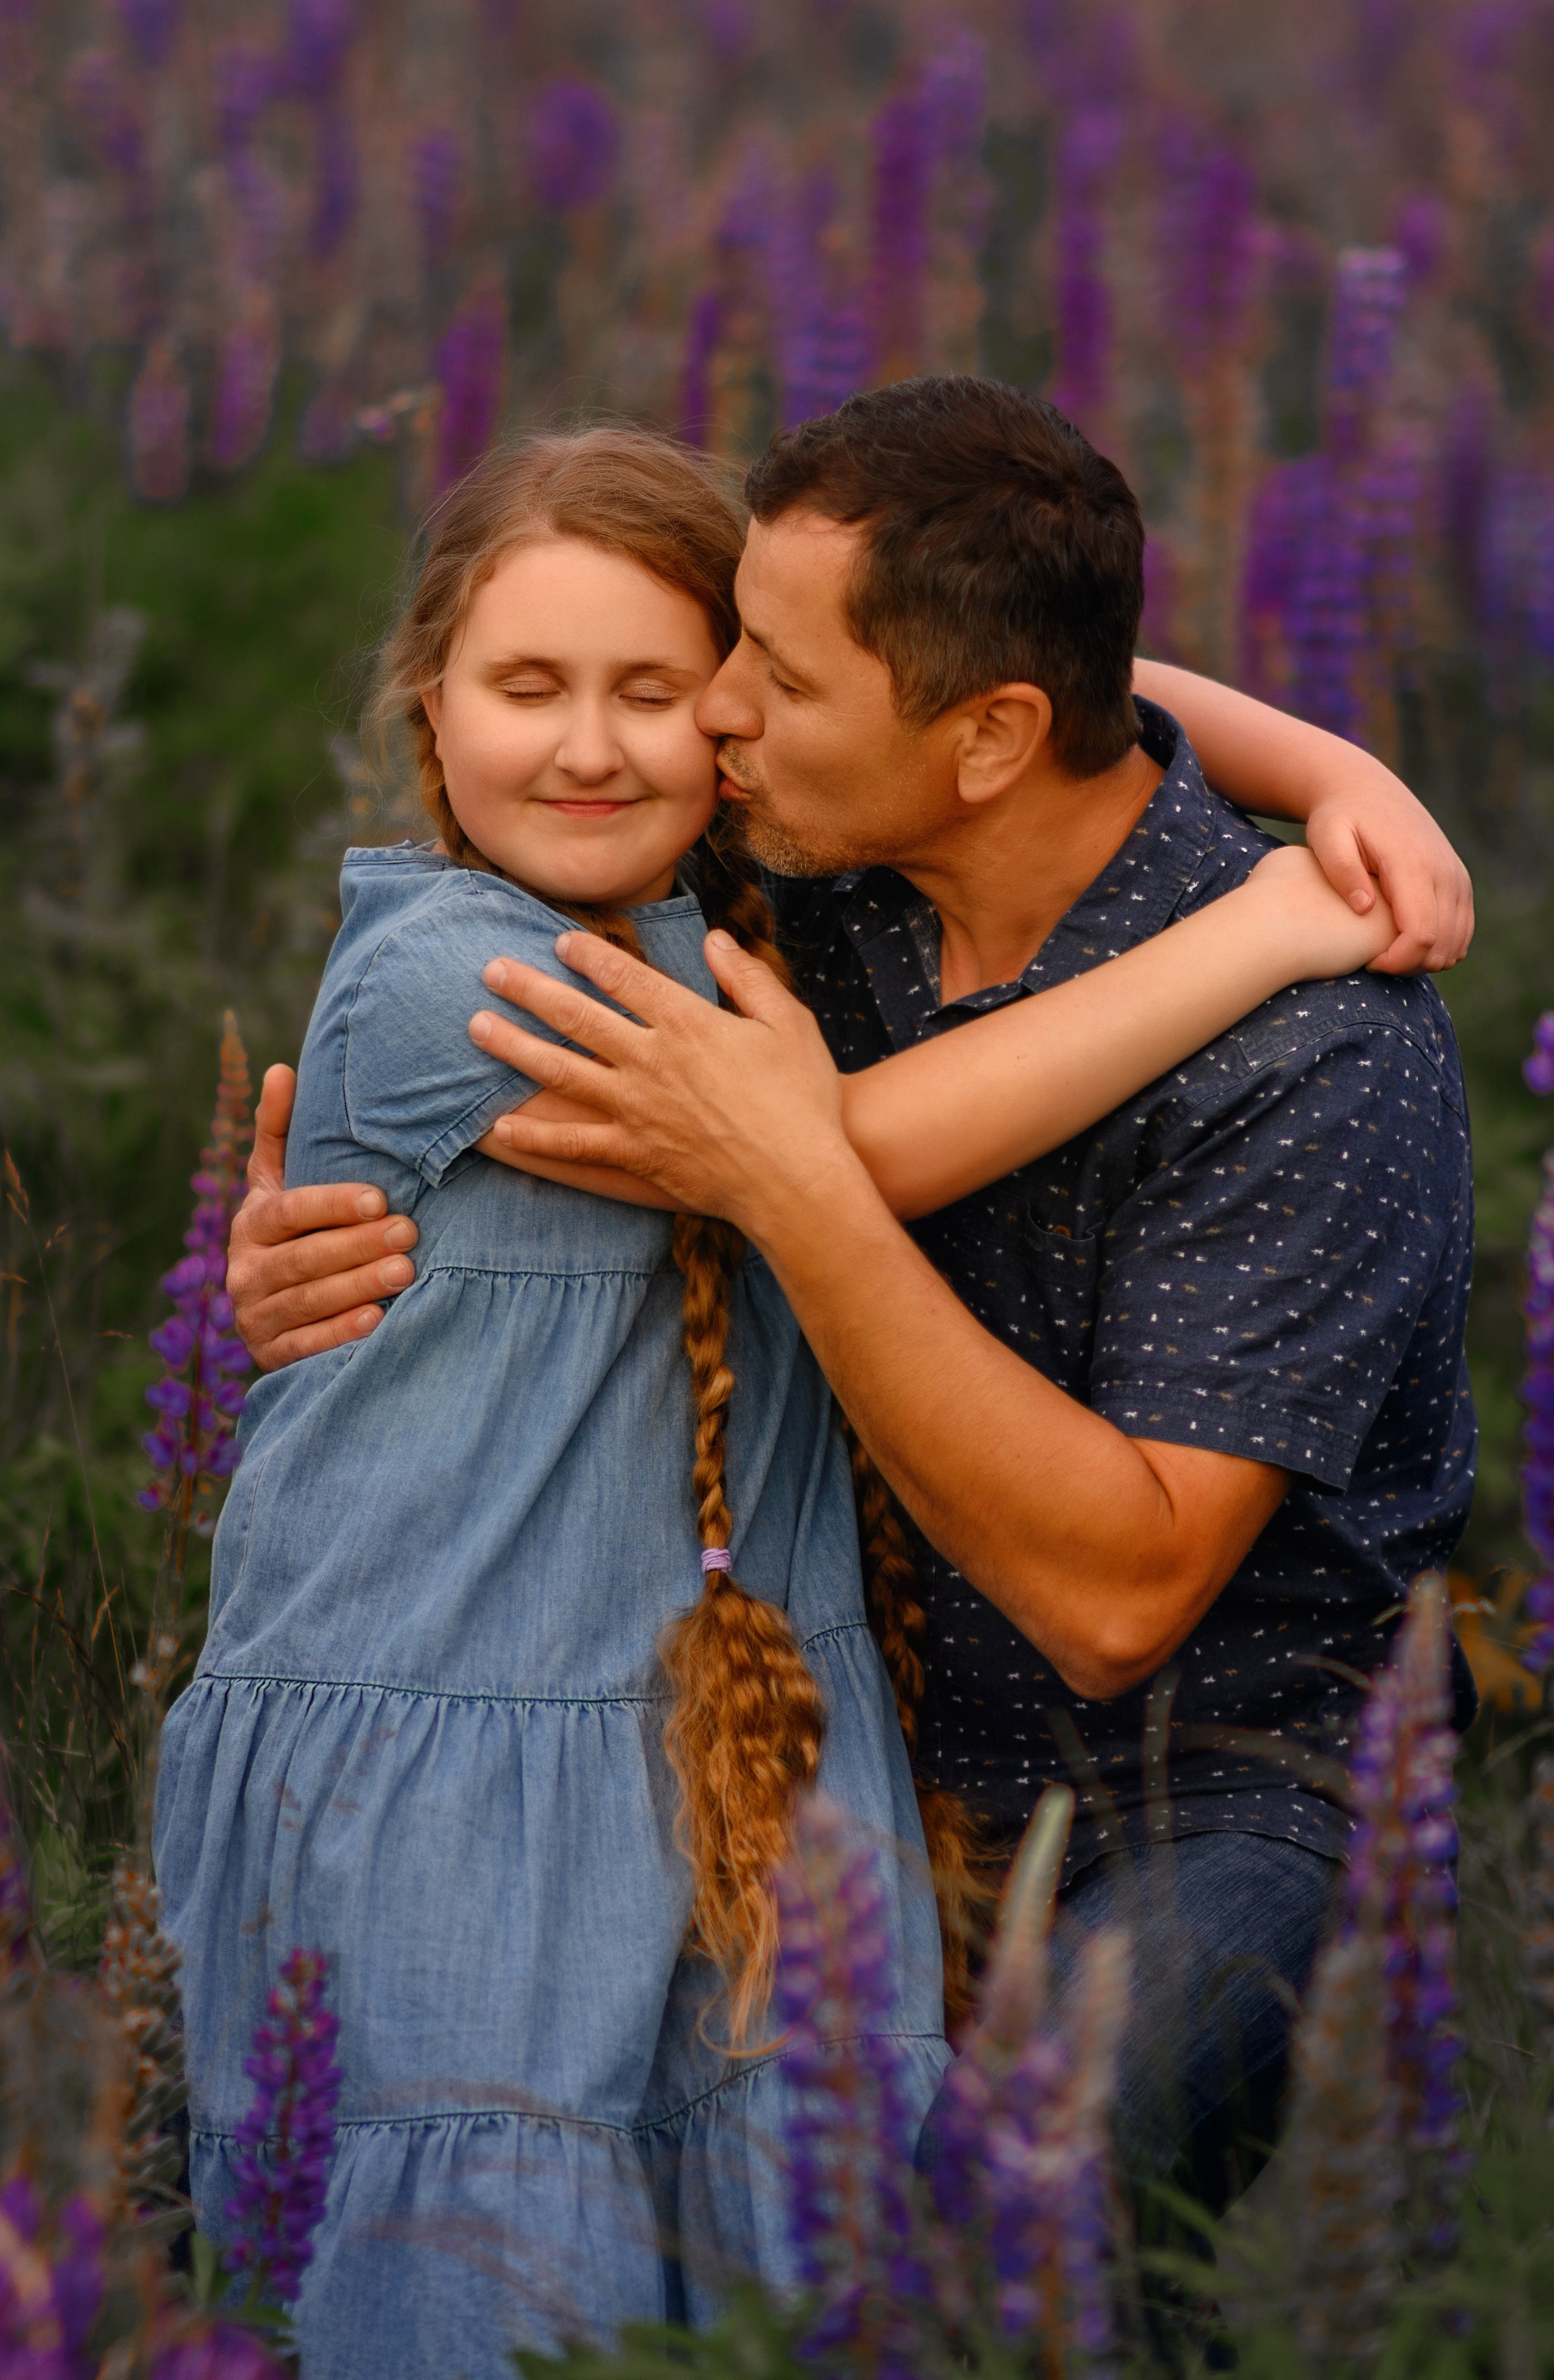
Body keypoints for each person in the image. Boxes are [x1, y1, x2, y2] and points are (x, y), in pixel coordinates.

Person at [161, 418, 1407, 2377]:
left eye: (704, 685)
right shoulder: (630, 920)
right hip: (558, 1712)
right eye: (540, 687)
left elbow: (1054, 695)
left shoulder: (1294, 1056)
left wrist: (1333, 796)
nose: (661, 733)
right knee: (498, 2237)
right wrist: (1289, 877)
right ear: (428, 695)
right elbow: (843, 1145)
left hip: (1095, 1763)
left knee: (848, 2249)